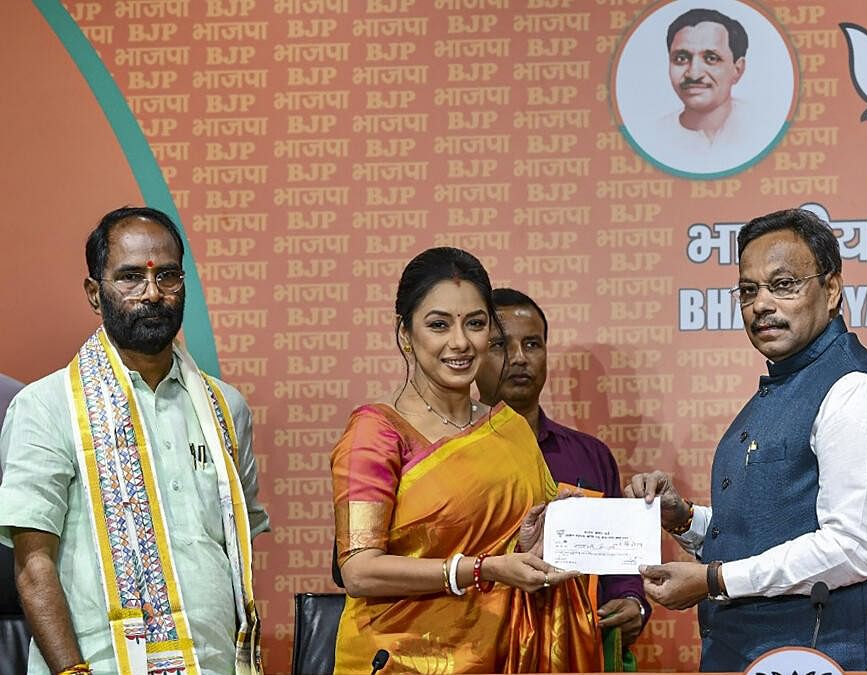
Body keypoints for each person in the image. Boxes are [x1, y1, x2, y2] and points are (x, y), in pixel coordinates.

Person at [626, 208, 867, 671]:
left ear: (831, 290)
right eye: (748, 290)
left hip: (831, 656)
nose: (761, 304)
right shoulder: (784, 386)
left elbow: (853, 548)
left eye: (783, 285)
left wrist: (714, 580)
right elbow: (769, 530)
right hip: (756, 655)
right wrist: (684, 520)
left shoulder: (855, 391)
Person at [0, 206, 269, 675]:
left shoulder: (227, 409)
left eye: (167, 276)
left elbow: (234, 551)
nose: (152, 294)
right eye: (130, 278)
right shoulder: (46, 406)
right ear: (93, 292)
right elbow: (32, 565)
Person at [330, 248, 601, 673]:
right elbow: (360, 571)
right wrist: (482, 569)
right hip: (399, 658)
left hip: (499, 656)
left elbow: (515, 538)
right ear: (405, 333)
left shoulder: (507, 426)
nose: (460, 342)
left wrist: (527, 543)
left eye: (474, 324)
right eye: (439, 324)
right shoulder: (378, 431)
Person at [474, 288, 650, 662]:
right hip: (481, 651)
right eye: (500, 345)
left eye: (533, 344)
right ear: (472, 354)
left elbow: (619, 564)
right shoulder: (449, 456)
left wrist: (633, 602)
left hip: (577, 652)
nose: (520, 358)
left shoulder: (589, 455)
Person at [644, 8, 764, 173]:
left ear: (737, 69)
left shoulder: (762, 126)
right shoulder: (653, 137)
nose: (694, 73)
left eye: (711, 59)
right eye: (681, 58)